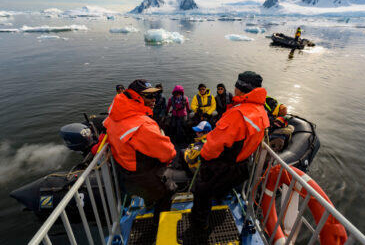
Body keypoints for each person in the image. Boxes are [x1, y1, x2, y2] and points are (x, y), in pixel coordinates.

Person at [191, 71, 270, 229]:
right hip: (243, 165)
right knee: (222, 189)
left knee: (201, 192)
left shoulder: (237, 114)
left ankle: (199, 227)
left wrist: (203, 156)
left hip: (223, 167)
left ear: (240, 89)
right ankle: (219, 203)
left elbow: (213, 146)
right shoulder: (261, 112)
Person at [103, 79, 177, 223]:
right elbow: (169, 152)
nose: (153, 99)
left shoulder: (114, 116)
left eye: (154, 95)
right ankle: (159, 224)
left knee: (149, 192)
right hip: (141, 174)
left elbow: (107, 131)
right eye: (148, 96)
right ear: (136, 97)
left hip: (124, 170)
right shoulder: (142, 125)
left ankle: (149, 203)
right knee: (169, 190)